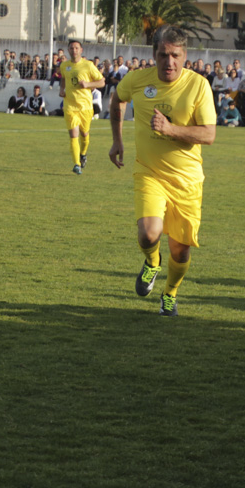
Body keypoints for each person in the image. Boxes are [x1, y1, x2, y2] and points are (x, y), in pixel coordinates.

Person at [108, 26, 216, 317]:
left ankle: (170, 293)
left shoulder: (198, 85)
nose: (169, 62)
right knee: (148, 234)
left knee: (180, 250)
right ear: (153, 54)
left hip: (187, 181)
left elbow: (208, 135)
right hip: (149, 173)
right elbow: (117, 99)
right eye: (163, 55)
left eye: (175, 55)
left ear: (185, 55)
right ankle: (152, 263)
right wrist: (117, 140)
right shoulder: (137, 80)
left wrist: (170, 129)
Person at [58, 39, 104, 174]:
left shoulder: (88, 65)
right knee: (73, 135)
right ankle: (76, 164)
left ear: (81, 50)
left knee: (84, 134)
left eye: (76, 48)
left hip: (85, 107)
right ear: (68, 50)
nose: (74, 50)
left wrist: (88, 85)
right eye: (71, 48)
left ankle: (83, 154)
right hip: (70, 106)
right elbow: (63, 78)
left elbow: (102, 82)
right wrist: (62, 89)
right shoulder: (64, 65)